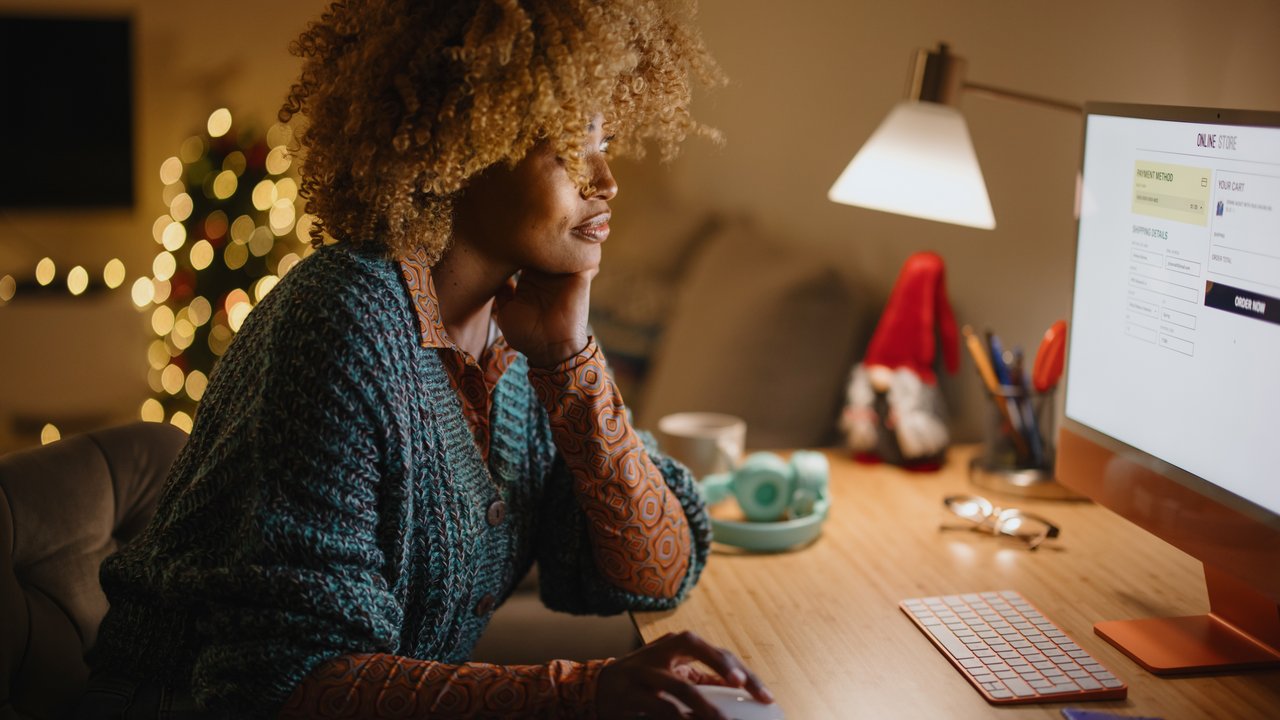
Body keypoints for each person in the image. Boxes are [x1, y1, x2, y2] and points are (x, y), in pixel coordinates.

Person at [74, 0, 773, 718]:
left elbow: (659, 571)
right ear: (462, 141)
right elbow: (281, 681)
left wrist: (570, 361)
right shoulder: (346, 316)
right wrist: (580, 694)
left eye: (609, 139)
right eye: (570, 145)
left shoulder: (518, 333)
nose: (606, 179)